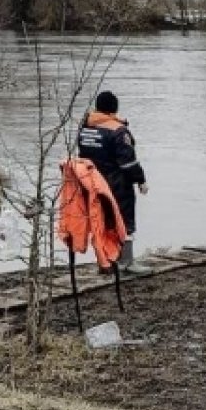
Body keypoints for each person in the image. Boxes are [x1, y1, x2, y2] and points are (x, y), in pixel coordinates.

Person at [77, 90, 150, 274]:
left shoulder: (85, 127)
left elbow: (83, 154)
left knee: (101, 221)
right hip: (117, 184)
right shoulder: (118, 131)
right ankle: (126, 262)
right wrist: (141, 180)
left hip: (92, 183)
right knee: (124, 221)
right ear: (114, 109)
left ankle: (105, 261)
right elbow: (128, 162)